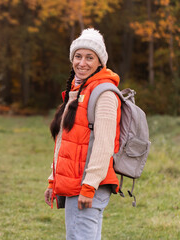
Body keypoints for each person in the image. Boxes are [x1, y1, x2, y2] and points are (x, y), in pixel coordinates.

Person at [44, 28, 121, 240]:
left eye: (89, 57)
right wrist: (53, 181)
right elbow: (65, 141)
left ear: (100, 63)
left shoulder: (103, 93)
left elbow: (104, 145)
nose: (82, 63)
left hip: (88, 186)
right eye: (78, 56)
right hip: (75, 184)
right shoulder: (78, 91)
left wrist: (90, 185)